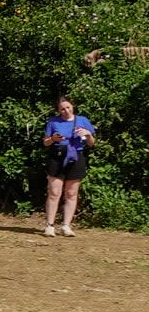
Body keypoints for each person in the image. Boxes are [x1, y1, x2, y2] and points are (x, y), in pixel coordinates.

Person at [42, 95, 96, 237]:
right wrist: (53, 139)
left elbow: (91, 143)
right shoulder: (53, 122)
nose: (66, 111)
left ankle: (66, 225)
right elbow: (45, 142)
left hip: (76, 157)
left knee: (71, 193)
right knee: (54, 193)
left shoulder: (83, 120)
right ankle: (50, 225)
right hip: (57, 157)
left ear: (73, 106)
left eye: (68, 107)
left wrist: (88, 134)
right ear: (58, 111)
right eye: (62, 109)